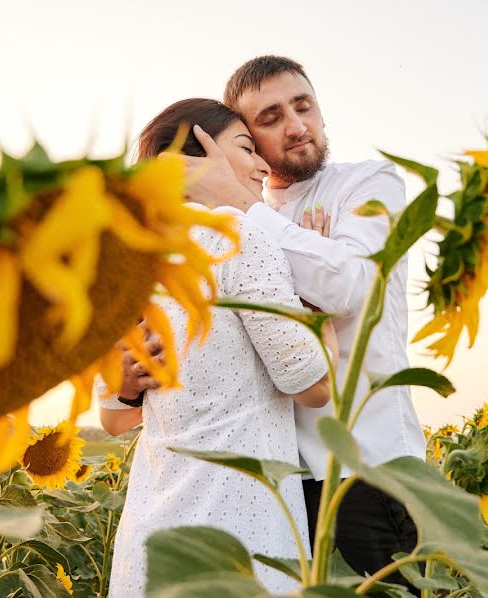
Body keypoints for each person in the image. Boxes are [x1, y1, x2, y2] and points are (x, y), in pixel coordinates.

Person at [179, 56, 427, 591]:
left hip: (369, 466)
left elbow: (350, 286)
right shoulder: (236, 224)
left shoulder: (369, 182)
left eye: (303, 105)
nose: (295, 125)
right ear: (243, 140)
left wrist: (245, 206)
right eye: (269, 118)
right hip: (283, 481)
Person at [97, 98, 339, 597]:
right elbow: (314, 386)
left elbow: (115, 418)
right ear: (196, 153)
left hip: (150, 544)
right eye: (247, 147)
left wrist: (123, 387)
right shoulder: (239, 233)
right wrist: (320, 307)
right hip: (236, 541)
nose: (263, 165)